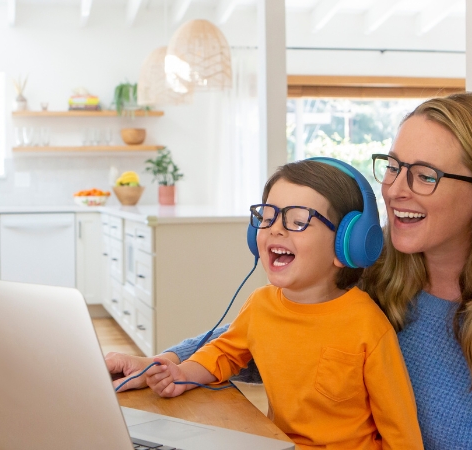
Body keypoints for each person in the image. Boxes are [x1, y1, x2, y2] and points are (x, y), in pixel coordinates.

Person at [106, 93, 472, 449]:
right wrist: (164, 360)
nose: (395, 190)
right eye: (393, 167)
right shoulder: (383, 274)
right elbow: (282, 338)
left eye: (425, 175)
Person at [144, 159, 423, 450]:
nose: (276, 229)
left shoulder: (368, 325)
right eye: (268, 216)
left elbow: (399, 426)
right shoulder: (260, 305)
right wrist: (184, 374)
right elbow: (224, 352)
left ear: (346, 245)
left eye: (298, 220)